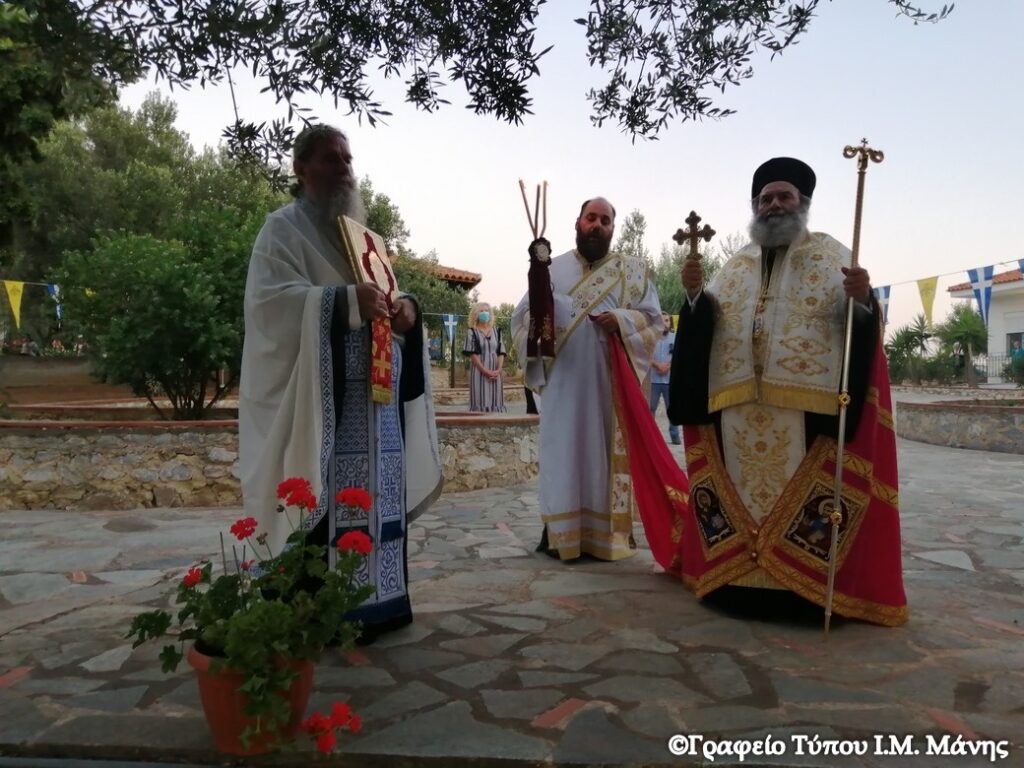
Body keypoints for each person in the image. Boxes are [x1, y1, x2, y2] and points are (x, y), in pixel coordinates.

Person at [668, 157, 907, 626]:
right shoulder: (735, 266)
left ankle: (803, 592)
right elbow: (704, 329)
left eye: (784, 197)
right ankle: (738, 586)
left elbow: (860, 333)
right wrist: (694, 300)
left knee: (798, 505)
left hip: (806, 410)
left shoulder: (831, 254)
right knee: (744, 499)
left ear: (803, 204)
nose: (774, 205)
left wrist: (863, 300)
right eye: (766, 198)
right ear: (755, 206)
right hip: (738, 411)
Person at [239, 124, 442, 642]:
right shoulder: (281, 231)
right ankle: (318, 611)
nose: (345, 169)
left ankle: (378, 600)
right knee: (323, 506)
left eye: (348, 159)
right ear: (301, 169)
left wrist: (406, 313)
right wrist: (347, 301)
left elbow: (389, 297)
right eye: (331, 159)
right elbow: (270, 307)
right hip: (320, 410)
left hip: (375, 414)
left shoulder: (362, 238)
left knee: (372, 507)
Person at [512, 197, 665, 561]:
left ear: (613, 228)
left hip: (609, 387)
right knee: (562, 454)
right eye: (591, 218)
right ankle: (559, 535)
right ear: (577, 223)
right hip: (563, 383)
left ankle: (606, 538)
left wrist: (623, 321)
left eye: (605, 220)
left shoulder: (634, 271)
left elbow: (655, 321)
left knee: (602, 461)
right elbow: (520, 322)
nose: (597, 225)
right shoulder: (551, 267)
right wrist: (539, 344)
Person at [462, 302, 507, 412]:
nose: (484, 313)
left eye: (486, 310)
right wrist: (485, 370)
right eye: (481, 311)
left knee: (496, 400)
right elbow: (472, 354)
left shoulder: (497, 331)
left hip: (496, 373)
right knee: (480, 399)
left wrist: (498, 370)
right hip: (479, 372)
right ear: (476, 314)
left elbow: (501, 352)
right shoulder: (471, 332)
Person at [649, 311, 680, 445]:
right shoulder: (650, 338)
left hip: (670, 381)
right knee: (650, 408)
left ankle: (675, 436)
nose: (664, 323)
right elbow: (645, 355)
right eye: (661, 320)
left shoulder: (676, 338)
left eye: (667, 320)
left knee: (672, 409)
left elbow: (680, 355)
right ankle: (650, 437)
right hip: (653, 380)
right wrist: (657, 365)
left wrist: (668, 366)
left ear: (670, 322)